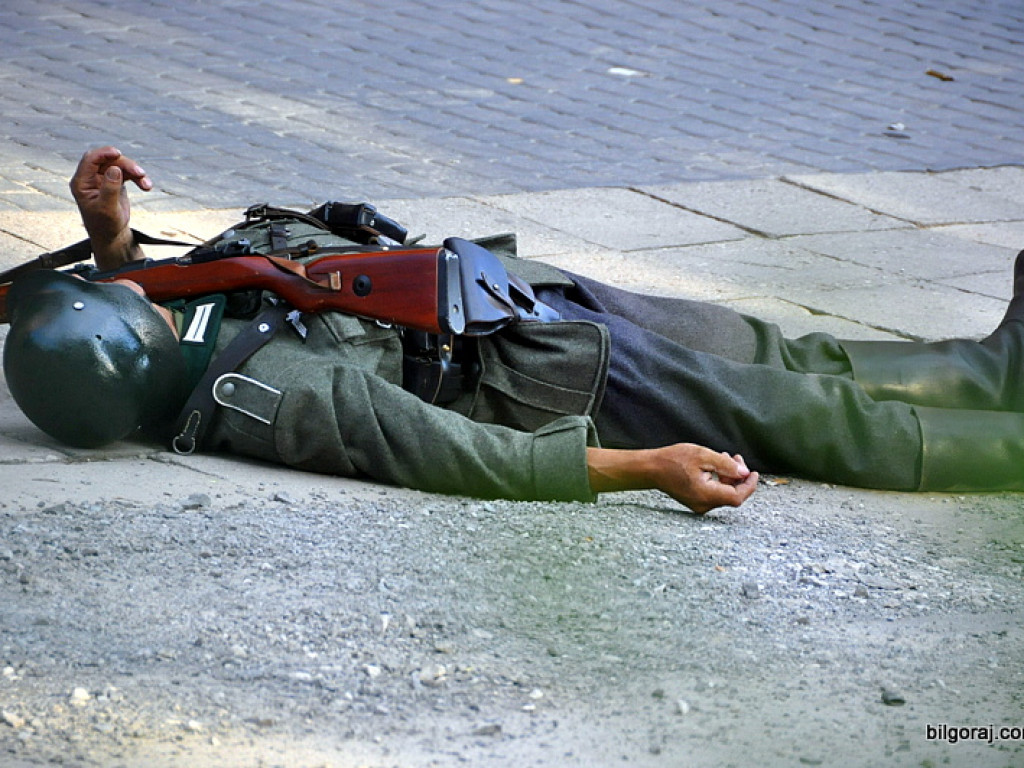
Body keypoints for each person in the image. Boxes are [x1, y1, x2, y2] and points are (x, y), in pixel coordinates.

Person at [4, 147, 1024, 513]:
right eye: (126, 296)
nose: (138, 286)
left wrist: (112, 238)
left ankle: (992, 372)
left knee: (780, 353)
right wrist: (639, 468)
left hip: (521, 298)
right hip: (552, 382)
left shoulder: (170, 324)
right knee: (814, 415)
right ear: (136, 347)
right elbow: (444, 453)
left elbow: (176, 301)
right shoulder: (264, 392)